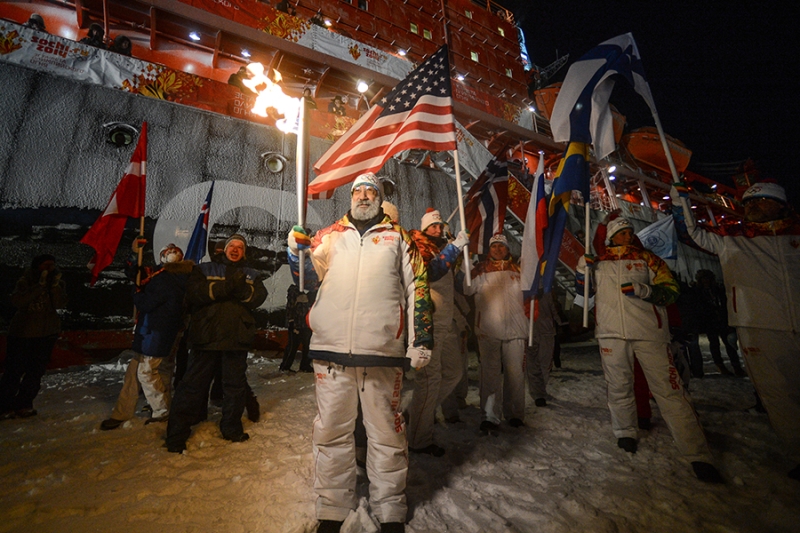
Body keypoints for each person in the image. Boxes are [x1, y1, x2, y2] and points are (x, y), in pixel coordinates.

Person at [287, 172, 433, 533]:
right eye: (358, 191)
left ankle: (391, 510)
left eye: (371, 191)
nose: (364, 196)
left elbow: (419, 288)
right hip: (330, 350)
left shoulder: (398, 237)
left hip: (382, 353)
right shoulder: (330, 236)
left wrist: (421, 340)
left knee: (386, 436)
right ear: (350, 197)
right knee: (331, 434)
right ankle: (332, 509)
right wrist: (295, 250)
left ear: (380, 198)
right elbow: (304, 276)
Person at [672, 180, 800, 481]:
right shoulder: (733, 238)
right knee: (778, 396)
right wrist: (680, 205)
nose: (752, 206)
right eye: (749, 202)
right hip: (758, 326)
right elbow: (690, 234)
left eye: (761, 201)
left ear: (781, 204)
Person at [578, 215, 721, 482]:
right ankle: (625, 432)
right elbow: (582, 294)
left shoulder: (649, 259)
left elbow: (671, 290)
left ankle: (697, 452)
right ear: (610, 236)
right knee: (619, 386)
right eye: (621, 232)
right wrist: (580, 272)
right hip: (611, 334)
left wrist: (645, 291)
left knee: (669, 391)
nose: (627, 235)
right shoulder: (599, 263)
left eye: (629, 231)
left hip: (649, 333)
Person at [165, 234, 267, 453]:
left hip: (235, 340)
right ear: (224, 249)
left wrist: (240, 289)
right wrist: (224, 289)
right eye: (232, 245)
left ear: (244, 252)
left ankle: (231, 428)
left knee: (234, 388)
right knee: (192, 387)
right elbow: (194, 293)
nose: (236, 249)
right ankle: (176, 435)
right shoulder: (204, 269)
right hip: (206, 338)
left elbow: (259, 297)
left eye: (240, 247)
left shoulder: (251, 274)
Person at [100, 241, 192, 430]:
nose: (172, 252)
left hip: (159, 331)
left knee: (147, 372)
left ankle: (162, 410)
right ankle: (125, 411)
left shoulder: (171, 278)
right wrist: (134, 254)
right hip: (154, 330)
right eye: (168, 250)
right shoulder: (160, 275)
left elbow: (146, 302)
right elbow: (135, 273)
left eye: (175, 251)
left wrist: (137, 292)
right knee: (139, 372)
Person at [405, 208, 470, 456]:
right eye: (432, 226)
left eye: (439, 225)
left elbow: (456, 284)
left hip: (447, 320)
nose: (437, 229)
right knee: (429, 380)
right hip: (427, 321)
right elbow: (430, 272)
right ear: (423, 228)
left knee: (453, 372)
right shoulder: (417, 246)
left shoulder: (444, 247)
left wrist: (461, 256)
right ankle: (419, 439)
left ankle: (417, 411)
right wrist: (453, 249)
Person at [461, 233, 528, 433]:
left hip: (516, 329)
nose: (498, 250)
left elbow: (534, 289)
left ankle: (515, 414)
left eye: (501, 246)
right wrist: (467, 267)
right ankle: (489, 416)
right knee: (489, 375)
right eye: (494, 247)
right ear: (489, 250)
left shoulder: (519, 269)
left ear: (507, 249)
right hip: (488, 330)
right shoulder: (480, 270)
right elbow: (467, 289)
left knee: (515, 375)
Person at [0, 255, 67, 419]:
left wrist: (54, 286)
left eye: (52, 265)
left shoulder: (57, 283)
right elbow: (18, 301)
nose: (49, 269)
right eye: (46, 265)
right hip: (23, 333)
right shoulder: (24, 281)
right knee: (14, 370)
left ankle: (24, 404)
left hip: (46, 333)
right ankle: (4, 405)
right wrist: (39, 286)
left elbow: (59, 304)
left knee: (35, 371)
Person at [693, 269, 746, 376]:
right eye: (704, 279)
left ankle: (736, 366)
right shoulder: (698, 292)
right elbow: (699, 308)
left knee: (728, 344)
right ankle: (721, 367)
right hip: (709, 321)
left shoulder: (717, 289)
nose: (706, 281)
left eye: (707, 278)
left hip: (721, 320)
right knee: (714, 344)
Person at [526, 290, 558, 407]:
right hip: (529, 330)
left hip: (546, 331)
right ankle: (538, 394)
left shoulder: (547, 288)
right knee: (533, 364)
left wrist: (560, 322)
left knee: (544, 363)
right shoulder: (525, 288)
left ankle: (540, 389)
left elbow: (553, 307)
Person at [279, 283, 315, 372]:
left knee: (307, 346)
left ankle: (305, 365)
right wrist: (291, 321)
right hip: (297, 323)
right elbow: (290, 306)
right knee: (292, 346)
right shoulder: (294, 290)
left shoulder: (310, 290)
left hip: (306, 323)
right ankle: (285, 366)